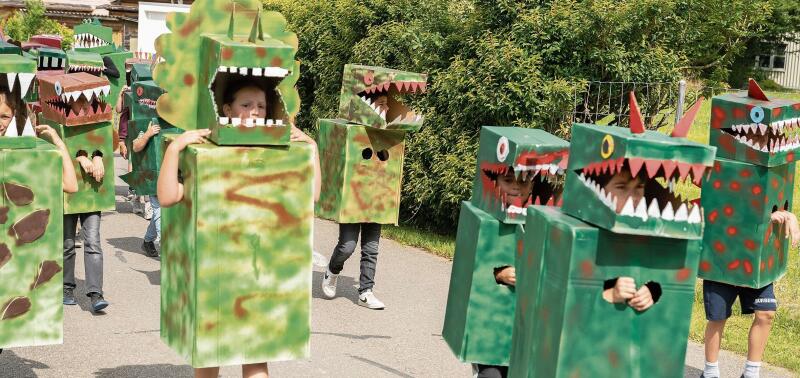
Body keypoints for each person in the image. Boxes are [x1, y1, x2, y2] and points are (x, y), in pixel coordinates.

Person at [158, 80, 320, 378]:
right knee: (209, 355)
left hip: (259, 277)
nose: (255, 112)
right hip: (216, 277)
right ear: (227, 109)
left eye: (260, 106)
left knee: (256, 359)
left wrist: (311, 148)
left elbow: (311, 196)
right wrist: (176, 148)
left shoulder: (278, 154)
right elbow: (168, 197)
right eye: (246, 106)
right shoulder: (204, 152)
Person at [701, 212, 799, 378]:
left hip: (756, 263)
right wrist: (762, 217)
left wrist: (791, 216)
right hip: (723, 259)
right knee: (718, 317)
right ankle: (710, 373)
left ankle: (751, 374)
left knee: (766, 313)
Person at [320, 94, 391, 310]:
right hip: (353, 199)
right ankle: (332, 270)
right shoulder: (354, 133)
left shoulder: (390, 135)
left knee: (371, 248)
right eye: (381, 104)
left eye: (387, 104)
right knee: (347, 246)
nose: (386, 108)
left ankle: (365, 291)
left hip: (376, 198)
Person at [62, 95, 110, 312]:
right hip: (68, 194)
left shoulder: (98, 122)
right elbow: (58, 151)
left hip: (91, 193)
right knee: (67, 244)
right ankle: (66, 286)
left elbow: (108, 145)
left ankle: (95, 293)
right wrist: (80, 158)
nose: (83, 106)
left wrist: (98, 156)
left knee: (93, 241)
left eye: (87, 101)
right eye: (78, 101)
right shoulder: (58, 121)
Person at [132, 120, 161, 257]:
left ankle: (148, 241)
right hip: (154, 177)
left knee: (161, 213)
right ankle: (166, 246)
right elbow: (136, 147)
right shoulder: (148, 121)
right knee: (160, 211)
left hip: (177, 175)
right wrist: (148, 134)